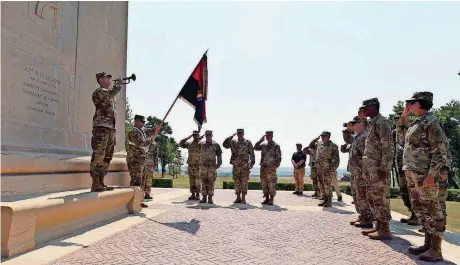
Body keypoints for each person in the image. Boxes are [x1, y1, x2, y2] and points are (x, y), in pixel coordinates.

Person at [399, 92, 449, 262]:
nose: (409, 105)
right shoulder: (416, 123)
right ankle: (427, 245)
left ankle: (436, 250)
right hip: (413, 173)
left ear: (421, 103)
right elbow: (400, 137)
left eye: (411, 103)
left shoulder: (431, 123)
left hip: (425, 174)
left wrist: (432, 174)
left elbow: (440, 152)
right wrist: (404, 116)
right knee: (420, 209)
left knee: (432, 210)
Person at [360, 98, 394, 240]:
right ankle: (379, 226)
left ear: (373, 107)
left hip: (378, 168)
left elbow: (388, 146)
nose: (363, 110)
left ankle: (385, 229)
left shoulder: (382, 122)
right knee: (372, 197)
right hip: (370, 169)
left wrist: (384, 168)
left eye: (365, 108)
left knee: (381, 198)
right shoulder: (371, 123)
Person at [90, 72, 124, 192]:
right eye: (107, 78)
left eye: (110, 78)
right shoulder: (99, 92)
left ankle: (101, 181)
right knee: (99, 154)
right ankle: (95, 182)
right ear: (100, 80)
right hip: (101, 127)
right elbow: (112, 93)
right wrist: (119, 83)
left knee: (107, 156)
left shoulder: (110, 96)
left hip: (111, 128)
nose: (110, 80)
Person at [343, 116, 373, 228]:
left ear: (361, 123)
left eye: (355, 123)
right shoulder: (357, 137)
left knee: (362, 195)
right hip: (354, 171)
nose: (353, 125)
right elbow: (347, 138)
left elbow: (366, 156)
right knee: (356, 195)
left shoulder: (364, 137)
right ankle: (362, 214)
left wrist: (365, 171)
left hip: (361, 172)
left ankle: (368, 217)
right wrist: (347, 128)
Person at [127, 115, 159, 208]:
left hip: (142, 160)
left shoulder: (142, 130)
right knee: (136, 181)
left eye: (144, 122)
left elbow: (150, 131)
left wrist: (155, 129)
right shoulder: (134, 132)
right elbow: (141, 143)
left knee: (142, 182)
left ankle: (139, 201)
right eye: (142, 122)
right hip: (135, 160)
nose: (144, 123)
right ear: (136, 121)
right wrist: (151, 140)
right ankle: (132, 203)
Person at [394, 112, 420, 225]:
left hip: (412, 165)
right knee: (404, 191)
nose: (398, 121)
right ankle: (412, 213)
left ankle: (418, 216)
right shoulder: (395, 133)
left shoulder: (413, 129)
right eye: (397, 119)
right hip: (400, 165)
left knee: (413, 191)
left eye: (400, 118)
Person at [223, 129, 255, 204]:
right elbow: (224, 145)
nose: (239, 134)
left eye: (241, 133)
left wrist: (251, 163)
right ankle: (238, 198)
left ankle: (243, 198)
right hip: (236, 166)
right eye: (238, 133)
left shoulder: (247, 142)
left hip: (245, 166)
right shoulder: (233, 142)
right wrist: (231, 136)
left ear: (243, 134)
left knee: (244, 182)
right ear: (236, 134)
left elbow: (252, 153)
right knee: (236, 181)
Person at [254, 131, 282, 205]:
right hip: (263, 168)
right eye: (266, 136)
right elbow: (255, 147)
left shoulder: (276, 146)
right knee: (264, 183)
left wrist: (275, 166)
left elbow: (279, 158)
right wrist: (260, 141)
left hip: (271, 168)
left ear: (272, 136)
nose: (267, 137)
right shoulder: (264, 145)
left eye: (268, 136)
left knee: (271, 184)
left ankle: (271, 199)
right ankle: (266, 198)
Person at [315, 131, 340, 207]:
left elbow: (336, 159)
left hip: (328, 169)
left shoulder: (333, 146)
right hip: (319, 168)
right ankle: (325, 200)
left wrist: (332, 169)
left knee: (327, 185)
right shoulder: (319, 144)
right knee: (321, 185)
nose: (322, 137)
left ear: (328, 137)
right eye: (322, 136)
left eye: (324, 136)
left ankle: (329, 201)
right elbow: (311, 145)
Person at [179, 131, 204, 200]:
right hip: (191, 164)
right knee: (192, 179)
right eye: (194, 135)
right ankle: (193, 194)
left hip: (198, 165)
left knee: (198, 180)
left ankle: (198, 194)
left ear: (198, 136)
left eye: (196, 135)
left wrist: (199, 139)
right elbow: (180, 144)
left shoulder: (201, 144)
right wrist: (188, 137)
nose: (195, 136)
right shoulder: (189, 144)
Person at [199, 130, 222, 204]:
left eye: (209, 135)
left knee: (211, 182)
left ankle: (210, 198)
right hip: (203, 166)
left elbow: (219, 154)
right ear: (205, 136)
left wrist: (219, 163)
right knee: (204, 181)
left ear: (212, 135)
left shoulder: (216, 145)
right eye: (207, 135)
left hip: (212, 167)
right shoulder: (201, 144)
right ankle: (204, 197)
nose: (208, 136)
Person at [144, 132, 159, 200]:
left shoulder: (154, 144)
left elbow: (156, 155)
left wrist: (156, 164)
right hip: (142, 163)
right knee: (141, 178)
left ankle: (147, 193)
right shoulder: (143, 142)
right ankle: (140, 193)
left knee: (149, 179)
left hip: (150, 164)